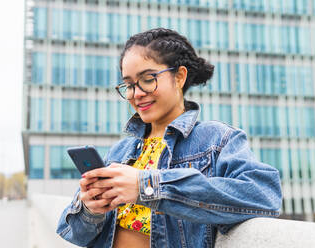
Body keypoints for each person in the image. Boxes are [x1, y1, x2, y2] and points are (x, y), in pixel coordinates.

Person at [56, 28, 282, 248]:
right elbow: (75, 234)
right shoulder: (120, 152)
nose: (136, 94)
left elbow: (264, 195)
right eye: (129, 85)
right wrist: (90, 209)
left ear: (179, 77)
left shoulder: (216, 140)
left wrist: (147, 187)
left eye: (147, 79)